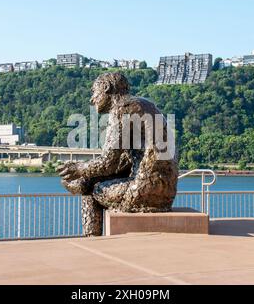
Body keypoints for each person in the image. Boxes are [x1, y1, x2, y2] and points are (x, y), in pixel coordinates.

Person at [57, 72, 178, 236]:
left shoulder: (122, 109)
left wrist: (78, 169)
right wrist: (85, 176)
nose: (92, 99)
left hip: (142, 191)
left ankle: (92, 240)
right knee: (87, 182)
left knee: (91, 191)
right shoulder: (141, 106)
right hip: (165, 192)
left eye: (94, 92)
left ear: (106, 88)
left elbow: (108, 163)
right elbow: (121, 164)